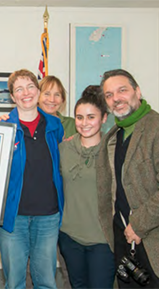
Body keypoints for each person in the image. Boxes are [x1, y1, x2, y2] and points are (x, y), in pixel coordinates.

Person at [96, 69, 159, 289]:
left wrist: (138, 226)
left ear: (137, 91)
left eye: (122, 90)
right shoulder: (113, 136)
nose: (116, 98)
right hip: (125, 241)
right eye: (109, 95)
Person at [0, 69, 64, 289]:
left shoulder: (55, 126)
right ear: (13, 97)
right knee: (15, 282)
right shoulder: (3, 128)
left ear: (38, 90)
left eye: (30, 86)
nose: (26, 92)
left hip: (48, 217)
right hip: (13, 219)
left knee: (46, 281)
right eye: (19, 89)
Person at [58, 85, 115, 289]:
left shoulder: (113, 151)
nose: (84, 123)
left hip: (102, 239)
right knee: (78, 285)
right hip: (70, 235)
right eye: (79, 117)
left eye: (91, 117)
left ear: (104, 118)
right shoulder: (63, 149)